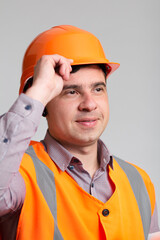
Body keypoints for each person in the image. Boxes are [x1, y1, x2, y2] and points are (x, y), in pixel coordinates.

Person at [0, 25, 159, 240]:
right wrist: (37, 91)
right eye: (71, 92)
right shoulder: (19, 173)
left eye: (98, 89)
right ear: (44, 105)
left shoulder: (139, 181)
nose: (89, 104)